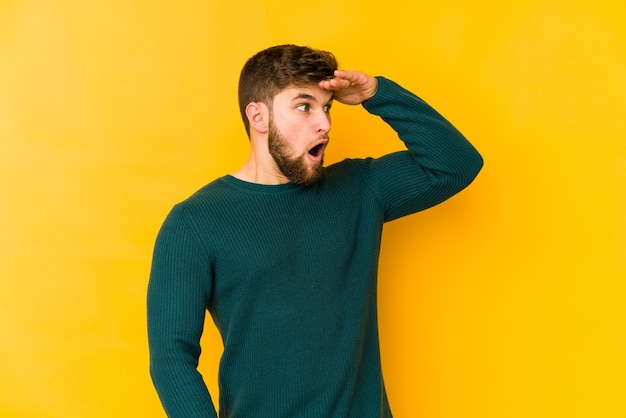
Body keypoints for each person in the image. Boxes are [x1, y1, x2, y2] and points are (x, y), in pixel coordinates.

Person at [147, 44, 483, 417]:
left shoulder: (359, 188)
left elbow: (456, 164)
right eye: (304, 106)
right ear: (259, 116)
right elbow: (171, 358)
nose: (324, 123)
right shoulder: (194, 222)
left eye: (327, 107)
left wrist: (377, 94)